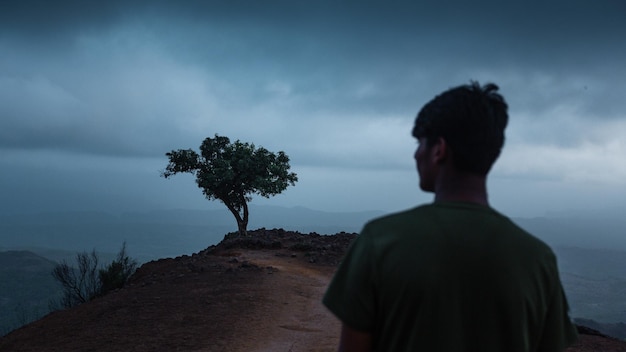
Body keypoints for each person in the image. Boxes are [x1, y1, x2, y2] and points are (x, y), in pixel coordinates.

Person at [323, 82, 578, 352]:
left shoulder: (379, 241)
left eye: (420, 142)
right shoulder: (538, 259)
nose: (415, 153)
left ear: (438, 150)